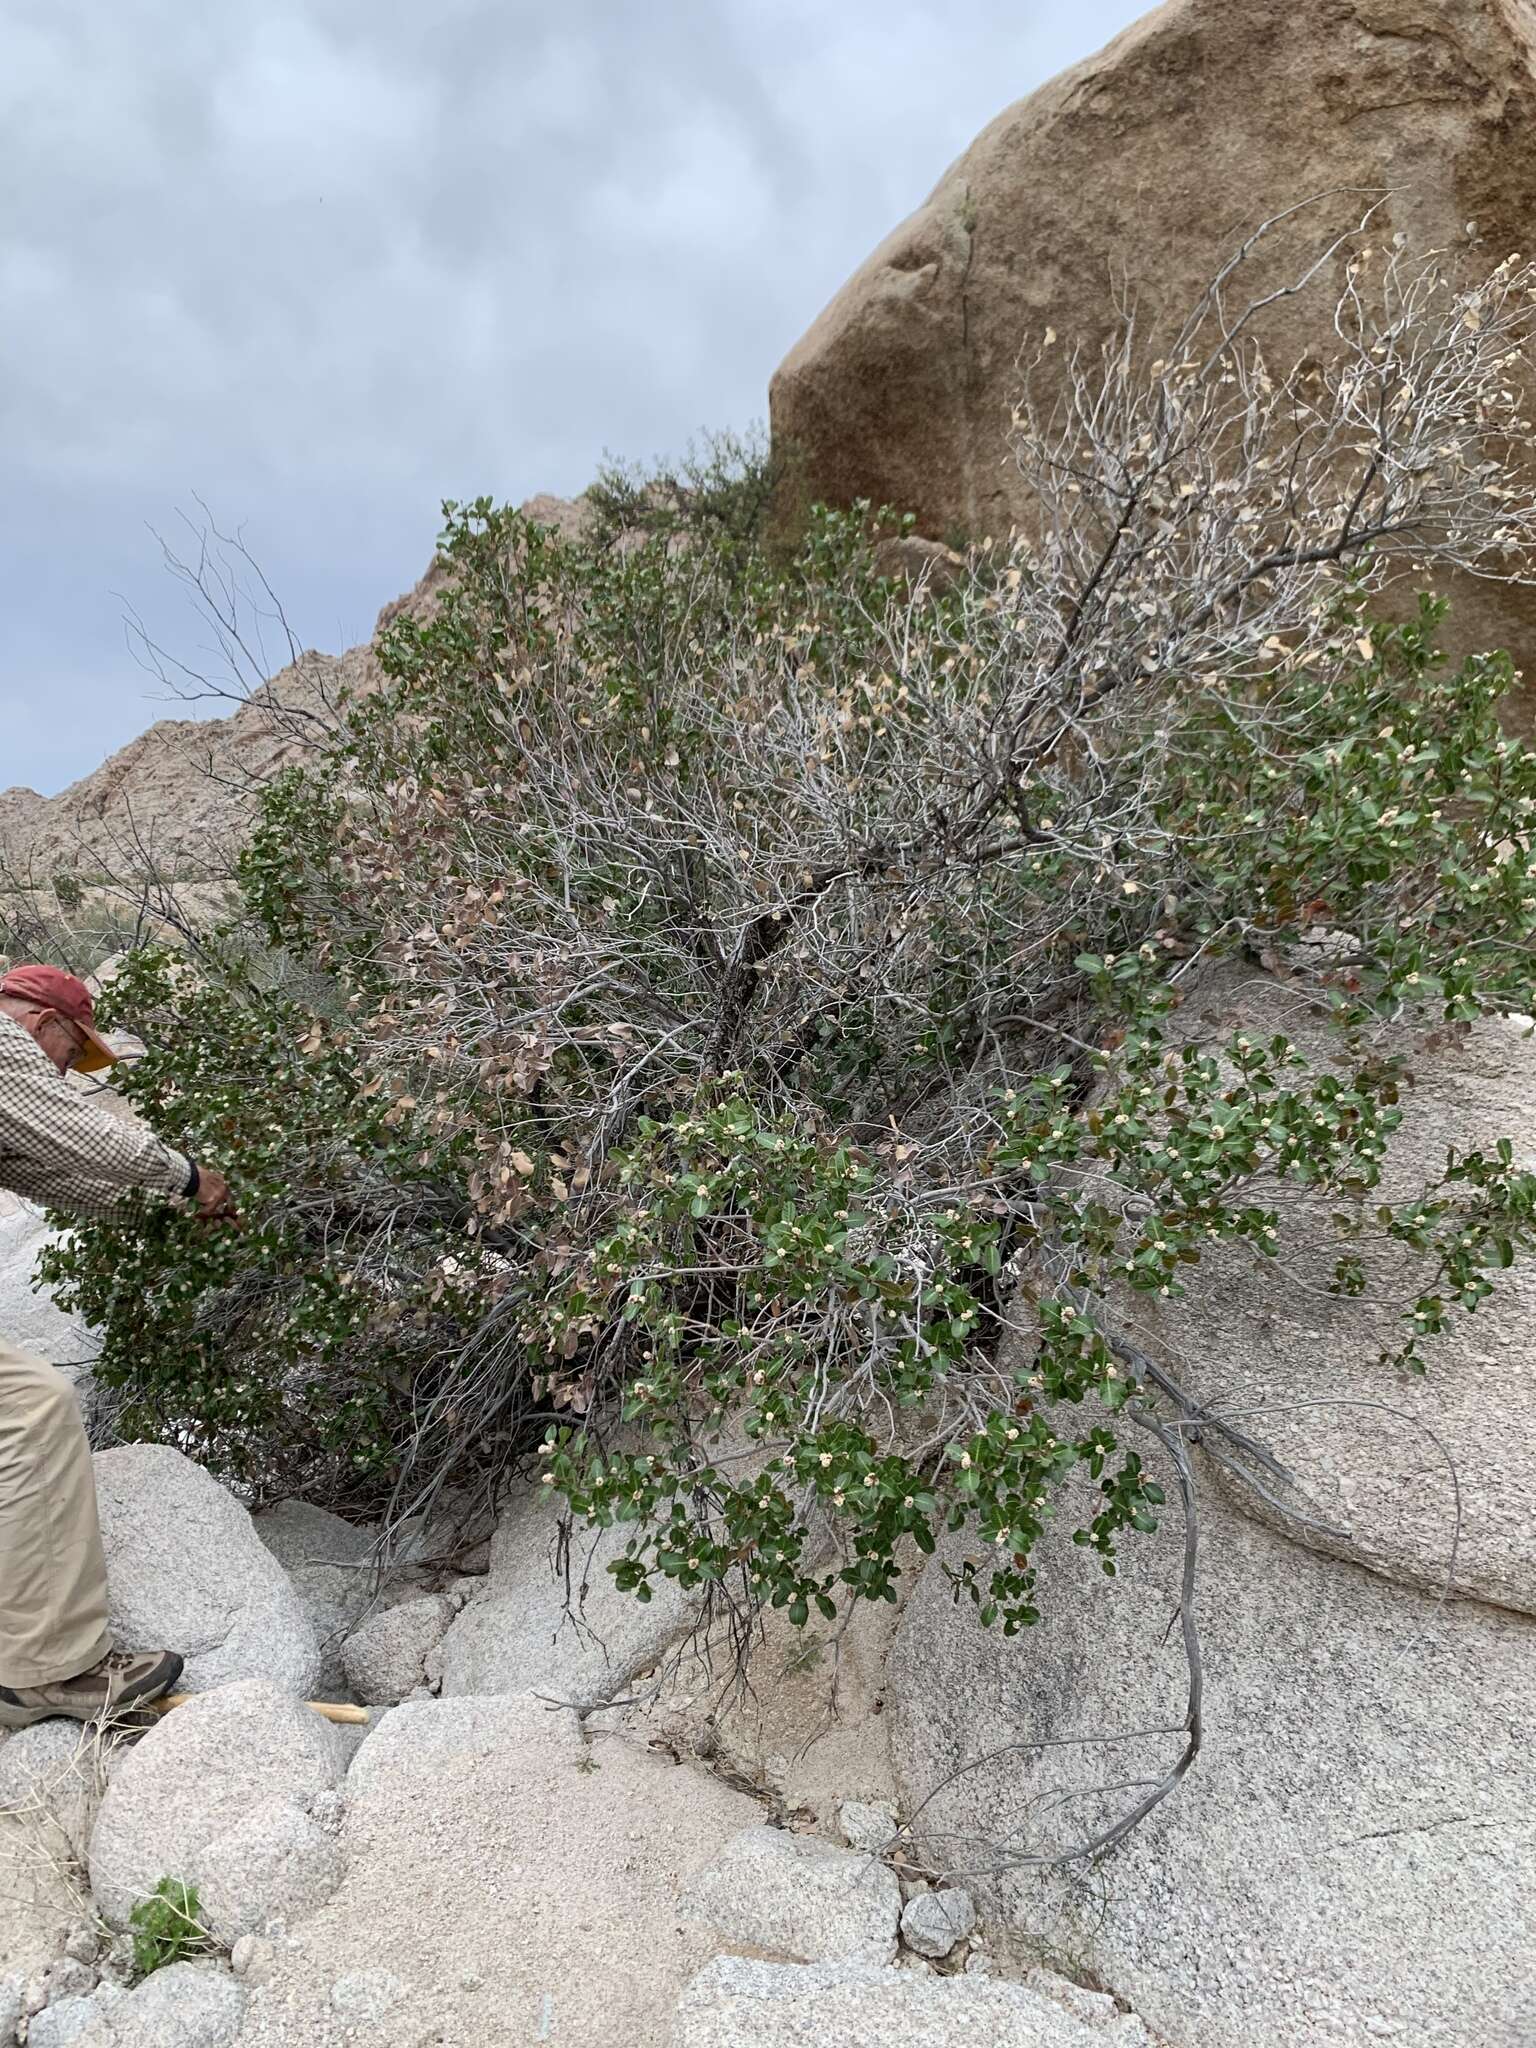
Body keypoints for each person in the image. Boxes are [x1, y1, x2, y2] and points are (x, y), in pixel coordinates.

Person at [0, 962, 236, 1727]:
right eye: (74, 1053)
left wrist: (167, 1211)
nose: (70, 1072)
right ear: (45, 1023)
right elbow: (73, 1134)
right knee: (32, 1408)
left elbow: (55, 1173)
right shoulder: (3, 1044)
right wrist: (189, 1174)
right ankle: (50, 1671)